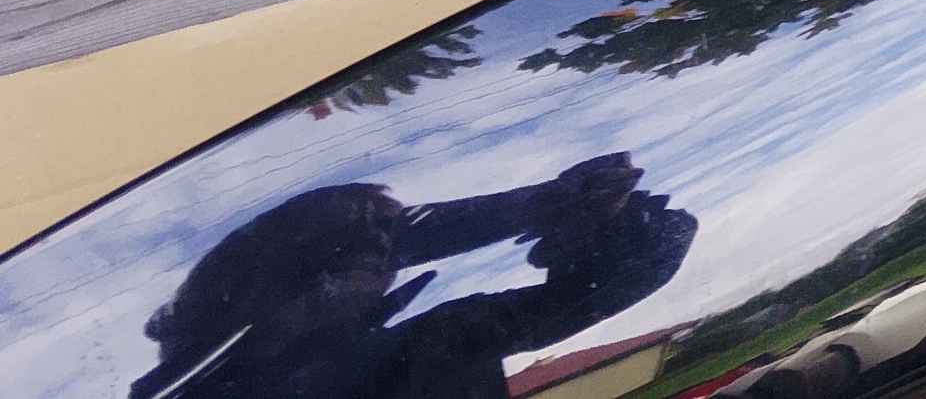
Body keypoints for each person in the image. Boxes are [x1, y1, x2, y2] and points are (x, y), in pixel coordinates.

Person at [131, 153, 695, 399]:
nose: (385, 252)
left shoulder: (203, 360)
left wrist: (557, 203)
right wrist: (566, 209)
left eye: (386, 243)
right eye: (361, 246)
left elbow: (418, 231)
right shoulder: (425, 350)